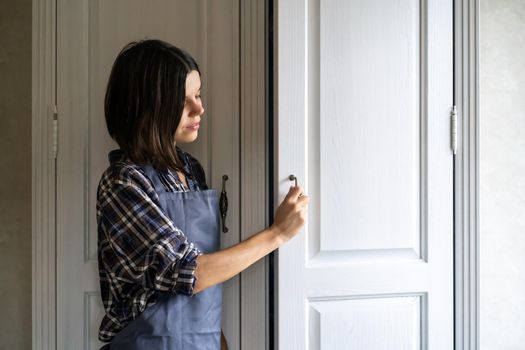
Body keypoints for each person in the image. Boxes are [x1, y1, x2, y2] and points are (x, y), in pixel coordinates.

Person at [96, 39, 309, 350]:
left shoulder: (190, 168)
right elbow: (189, 273)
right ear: (147, 106)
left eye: (197, 94)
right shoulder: (123, 182)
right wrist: (277, 234)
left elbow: (206, 286)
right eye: (183, 101)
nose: (200, 108)